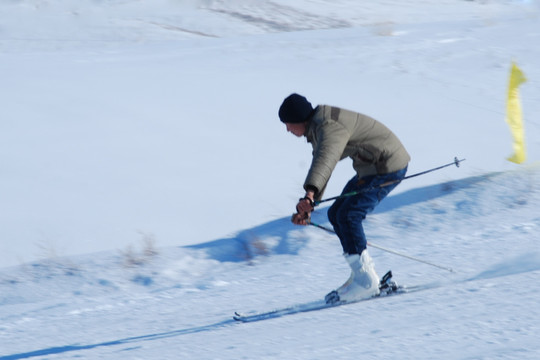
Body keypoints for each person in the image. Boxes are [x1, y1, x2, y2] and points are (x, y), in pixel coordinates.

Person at [279, 93, 410, 304]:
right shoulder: (319, 125)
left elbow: (325, 161)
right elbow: (322, 164)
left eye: (288, 124)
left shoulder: (330, 128)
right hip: (371, 168)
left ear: (299, 119)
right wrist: (310, 204)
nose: (287, 129)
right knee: (336, 213)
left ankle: (367, 281)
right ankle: (362, 274)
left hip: (386, 167)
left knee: (349, 215)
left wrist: (310, 195)